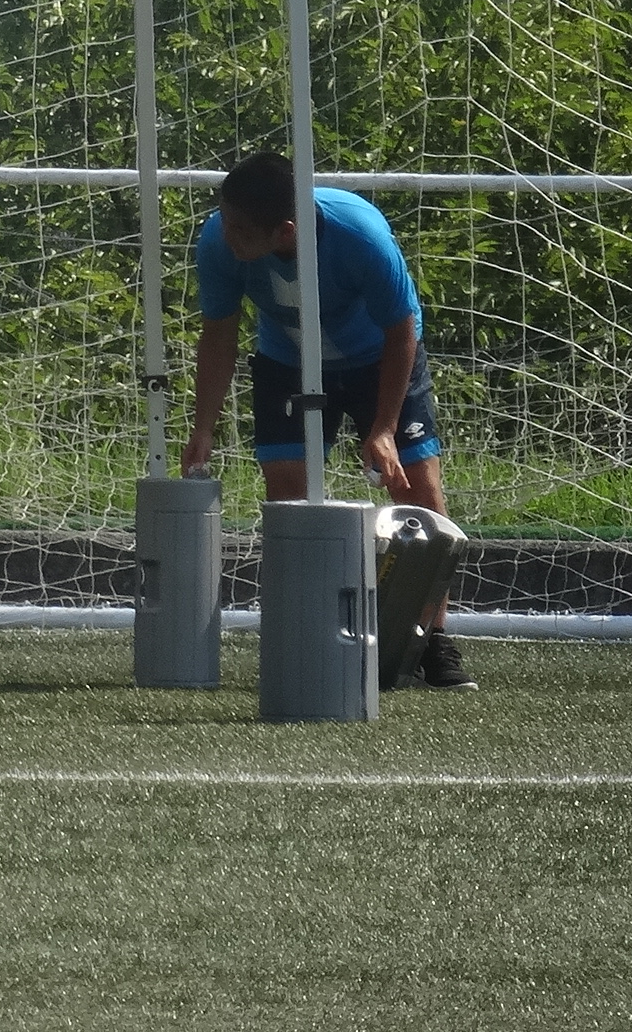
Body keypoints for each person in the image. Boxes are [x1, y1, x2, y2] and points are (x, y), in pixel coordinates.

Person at [181, 149, 474, 690]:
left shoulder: (359, 235)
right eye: (224, 218)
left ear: (286, 230)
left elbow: (401, 331)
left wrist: (383, 429)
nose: (227, 234)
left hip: (379, 358)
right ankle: (306, 631)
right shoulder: (219, 241)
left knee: (417, 491)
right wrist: (203, 428)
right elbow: (219, 332)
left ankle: (430, 639)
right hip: (287, 359)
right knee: (287, 493)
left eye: (241, 228)